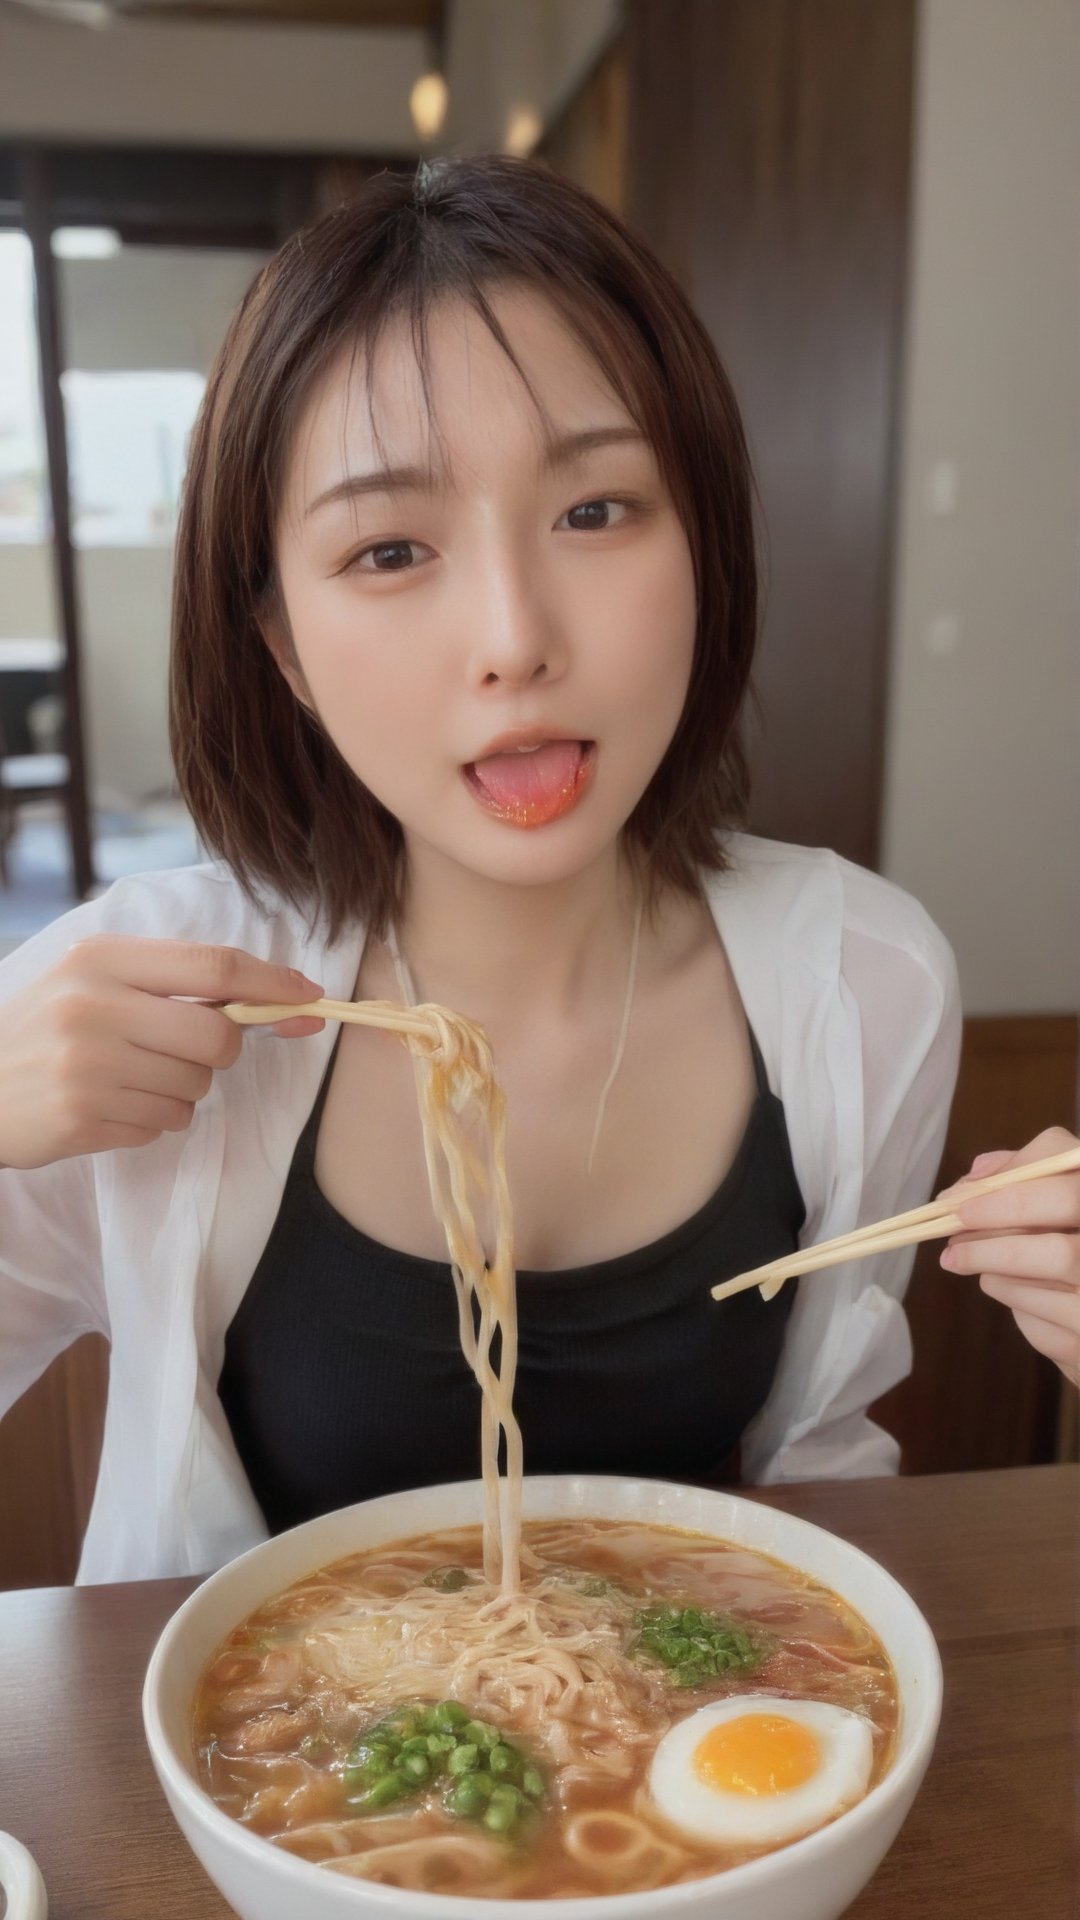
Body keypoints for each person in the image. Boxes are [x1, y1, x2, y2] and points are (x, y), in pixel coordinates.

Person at [0, 158, 1075, 1584]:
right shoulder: (149, 1001)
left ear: (704, 545)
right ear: (282, 651)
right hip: (263, 1784)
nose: (513, 637)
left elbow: (821, 1472)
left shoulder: (862, 979)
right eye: (390, 548)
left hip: (695, 1767)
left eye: (596, 512)